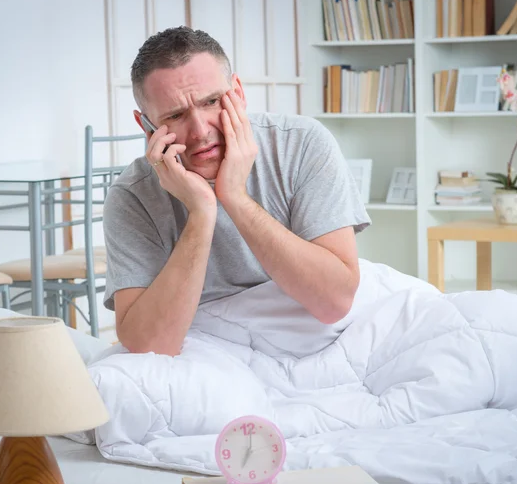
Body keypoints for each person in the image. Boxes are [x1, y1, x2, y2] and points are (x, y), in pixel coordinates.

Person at [103, 26, 371, 356]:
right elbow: (149, 345)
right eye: (175, 115)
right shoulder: (131, 196)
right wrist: (201, 212)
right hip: (215, 350)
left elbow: (334, 303)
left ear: (238, 93)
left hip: (318, 335)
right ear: (146, 126)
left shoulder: (301, 143)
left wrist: (235, 198)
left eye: (211, 101)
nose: (200, 131)